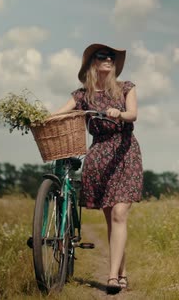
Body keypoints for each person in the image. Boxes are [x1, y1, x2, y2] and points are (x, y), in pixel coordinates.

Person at [54, 43, 143, 294]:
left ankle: (112, 277)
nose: (108, 60)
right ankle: (122, 273)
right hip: (99, 156)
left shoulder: (126, 88)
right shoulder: (82, 95)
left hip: (125, 153)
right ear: (93, 63)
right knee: (110, 219)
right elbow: (60, 113)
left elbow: (133, 114)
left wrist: (119, 113)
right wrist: (39, 118)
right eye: (102, 56)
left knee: (119, 215)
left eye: (111, 58)